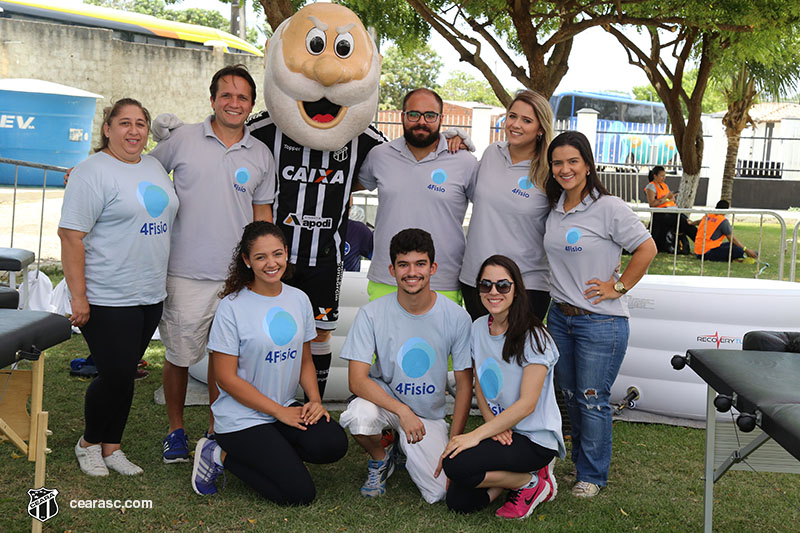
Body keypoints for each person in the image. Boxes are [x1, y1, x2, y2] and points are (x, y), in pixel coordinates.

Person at [149, 64, 275, 463]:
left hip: (237, 278)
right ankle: (175, 430)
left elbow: (262, 216)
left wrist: (265, 268)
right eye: (226, 95)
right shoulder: (182, 139)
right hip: (185, 271)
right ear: (212, 99)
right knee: (180, 356)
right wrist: (89, 170)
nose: (234, 103)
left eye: (242, 97)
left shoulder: (260, 153)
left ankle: (217, 430)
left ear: (251, 105)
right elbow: (136, 168)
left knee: (228, 359)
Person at [59, 98, 179, 476]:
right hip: (108, 294)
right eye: (124, 123)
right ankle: (89, 443)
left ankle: (113, 447)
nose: (134, 130)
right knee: (114, 374)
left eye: (140, 123)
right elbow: (70, 236)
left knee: (126, 372)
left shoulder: (155, 166)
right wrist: (79, 296)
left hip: (149, 292)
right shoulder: (91, 172)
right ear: (107, 128)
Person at [191, 221, 348, 503]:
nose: (271, 263)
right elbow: (225, 378)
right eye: (261, 257)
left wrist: (314, 400)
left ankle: (276, 452)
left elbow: (305, 360)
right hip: (241, 418)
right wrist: (278, 412)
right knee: (299, 493)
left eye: (277, 254)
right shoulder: (232, 307)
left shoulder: (298, 299)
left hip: (284, 409)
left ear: (286, 253)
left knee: (332, 444)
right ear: (247, 260)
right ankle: (218, 454)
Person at [543, 131, 657, 498]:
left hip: (601, 321)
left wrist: (618, 287)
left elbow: (647, 247)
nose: (565, 169)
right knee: (571, 396)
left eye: (573, 161)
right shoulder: (554, 206)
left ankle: (592, 475)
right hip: (559, 318)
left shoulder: (608, 207)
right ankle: (580, 462)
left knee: (592, 397)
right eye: (557, 162)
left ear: (588, 165)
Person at [339, 228, 473, 503]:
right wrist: (401, 411)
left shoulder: (457, 318)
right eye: (404, 265)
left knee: (439, 492)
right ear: (392, 269)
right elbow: (356, 381)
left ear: (433, 267)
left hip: (427, 416)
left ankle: (404, 445)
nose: (412, 272)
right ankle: (381, 457)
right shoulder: (372, 314)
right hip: (387, 404)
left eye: (420, 264)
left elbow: (463, 383)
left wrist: (455, 440)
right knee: (360, 418)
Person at [439, 255, 565, 518]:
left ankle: (533, 483)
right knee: (459, 501)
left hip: (534, 439)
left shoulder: (534, 335)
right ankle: (518, 477)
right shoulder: (476, 328)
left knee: (455, 462)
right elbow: (481, 383)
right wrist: (490, 425)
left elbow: (528, 403)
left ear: (516, 290)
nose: (493, 292)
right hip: (502, 431)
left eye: (502, 286)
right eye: (486, 285)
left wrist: (477, 435)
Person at [358, 89, 479, 304]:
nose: (421, 122)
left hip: (442, 281)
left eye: (430, 115)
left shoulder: (465, 162)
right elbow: (343, 188)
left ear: (442, 119)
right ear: (402, 116)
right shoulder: (379, 156)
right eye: (413, 114)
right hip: (387, 278)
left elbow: (491, 207)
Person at [460, 90, 553, 321]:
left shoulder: (550, 171)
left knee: (519, 355)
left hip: (526, 285)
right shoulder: (491, 154)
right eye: (512, 116)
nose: (516, 124)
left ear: (541, 128)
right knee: (482, 355)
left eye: (527, 120)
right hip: (477, 280)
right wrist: (455, 140)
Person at [645, 165, 697, 253]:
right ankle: (701, 244)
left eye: (664, 176)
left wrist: (671, 197)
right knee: (684, 223)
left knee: (687, 221)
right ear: (655, 176)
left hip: (672, 210)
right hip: (662, 213)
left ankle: (700, 242)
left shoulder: (664, 186)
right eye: (661, 176)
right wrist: (666, 198)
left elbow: (671, 199)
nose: (663, 178)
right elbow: (652, 204)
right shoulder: (651, 186)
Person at [694, 200, 759, 262]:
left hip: (698, 251)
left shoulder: (707, 216)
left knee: (732, 245)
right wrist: (746, 250)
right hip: (707, 253)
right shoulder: (722, 221)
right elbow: (732, 239)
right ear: (726, 210)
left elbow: (698, 221)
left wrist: (691, 223)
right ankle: (734, 259)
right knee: (739, 251)